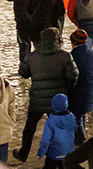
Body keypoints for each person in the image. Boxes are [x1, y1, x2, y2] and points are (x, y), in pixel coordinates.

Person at [21, 27, 78, 157]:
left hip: (38, 98)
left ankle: (24, 153)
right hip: (58, 100)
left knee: (30, 126)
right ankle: (61, 153)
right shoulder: (65, 56)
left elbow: (23, 73)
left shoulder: (32, 57)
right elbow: (74, 76)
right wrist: (66, 90)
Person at [34, 93, 80, 169]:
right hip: (67, 153)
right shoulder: (72, 117)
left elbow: (46, 139)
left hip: (53, 153)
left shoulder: (51, 121)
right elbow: (75, 129)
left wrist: (41, 152)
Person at [7, 0, 39, 65]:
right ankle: (38, 65)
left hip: (21, 20)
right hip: (36, 20)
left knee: (24, 44)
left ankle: (25, 66)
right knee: (38, 44)